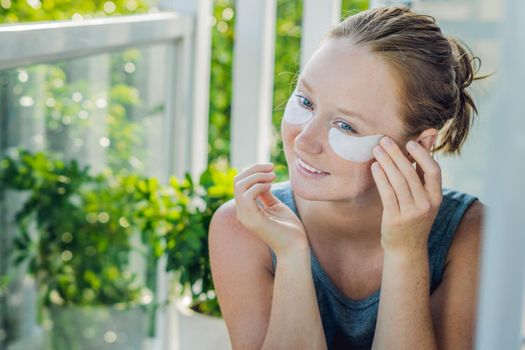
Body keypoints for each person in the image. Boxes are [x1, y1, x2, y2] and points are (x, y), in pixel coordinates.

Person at [209, 6, 488, 350]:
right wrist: (292, 254)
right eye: (306, 101)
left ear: (417, 146)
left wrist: (406, 251)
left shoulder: (471, 235)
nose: (304, 140)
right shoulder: (243, 228)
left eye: (346, 125)